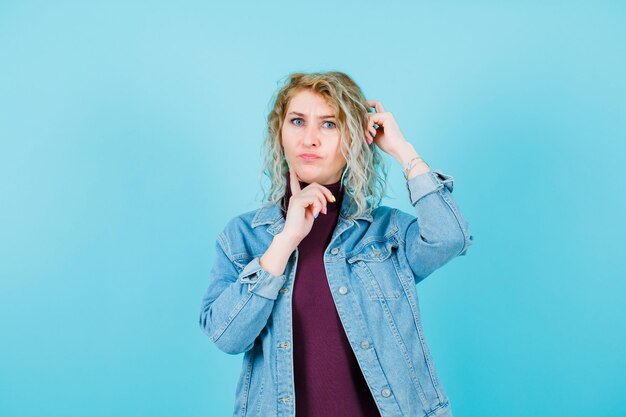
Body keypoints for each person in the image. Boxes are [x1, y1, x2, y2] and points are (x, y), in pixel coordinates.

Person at [199, 71, 474, 417]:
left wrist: (404, 152)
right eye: (297, 121)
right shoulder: (242, 236)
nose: (310, 139)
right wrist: (285, 241)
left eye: (329, 124)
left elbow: (450, 238)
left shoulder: (386, 232)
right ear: (280, 133)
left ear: (356, 139)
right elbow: (227, 337)